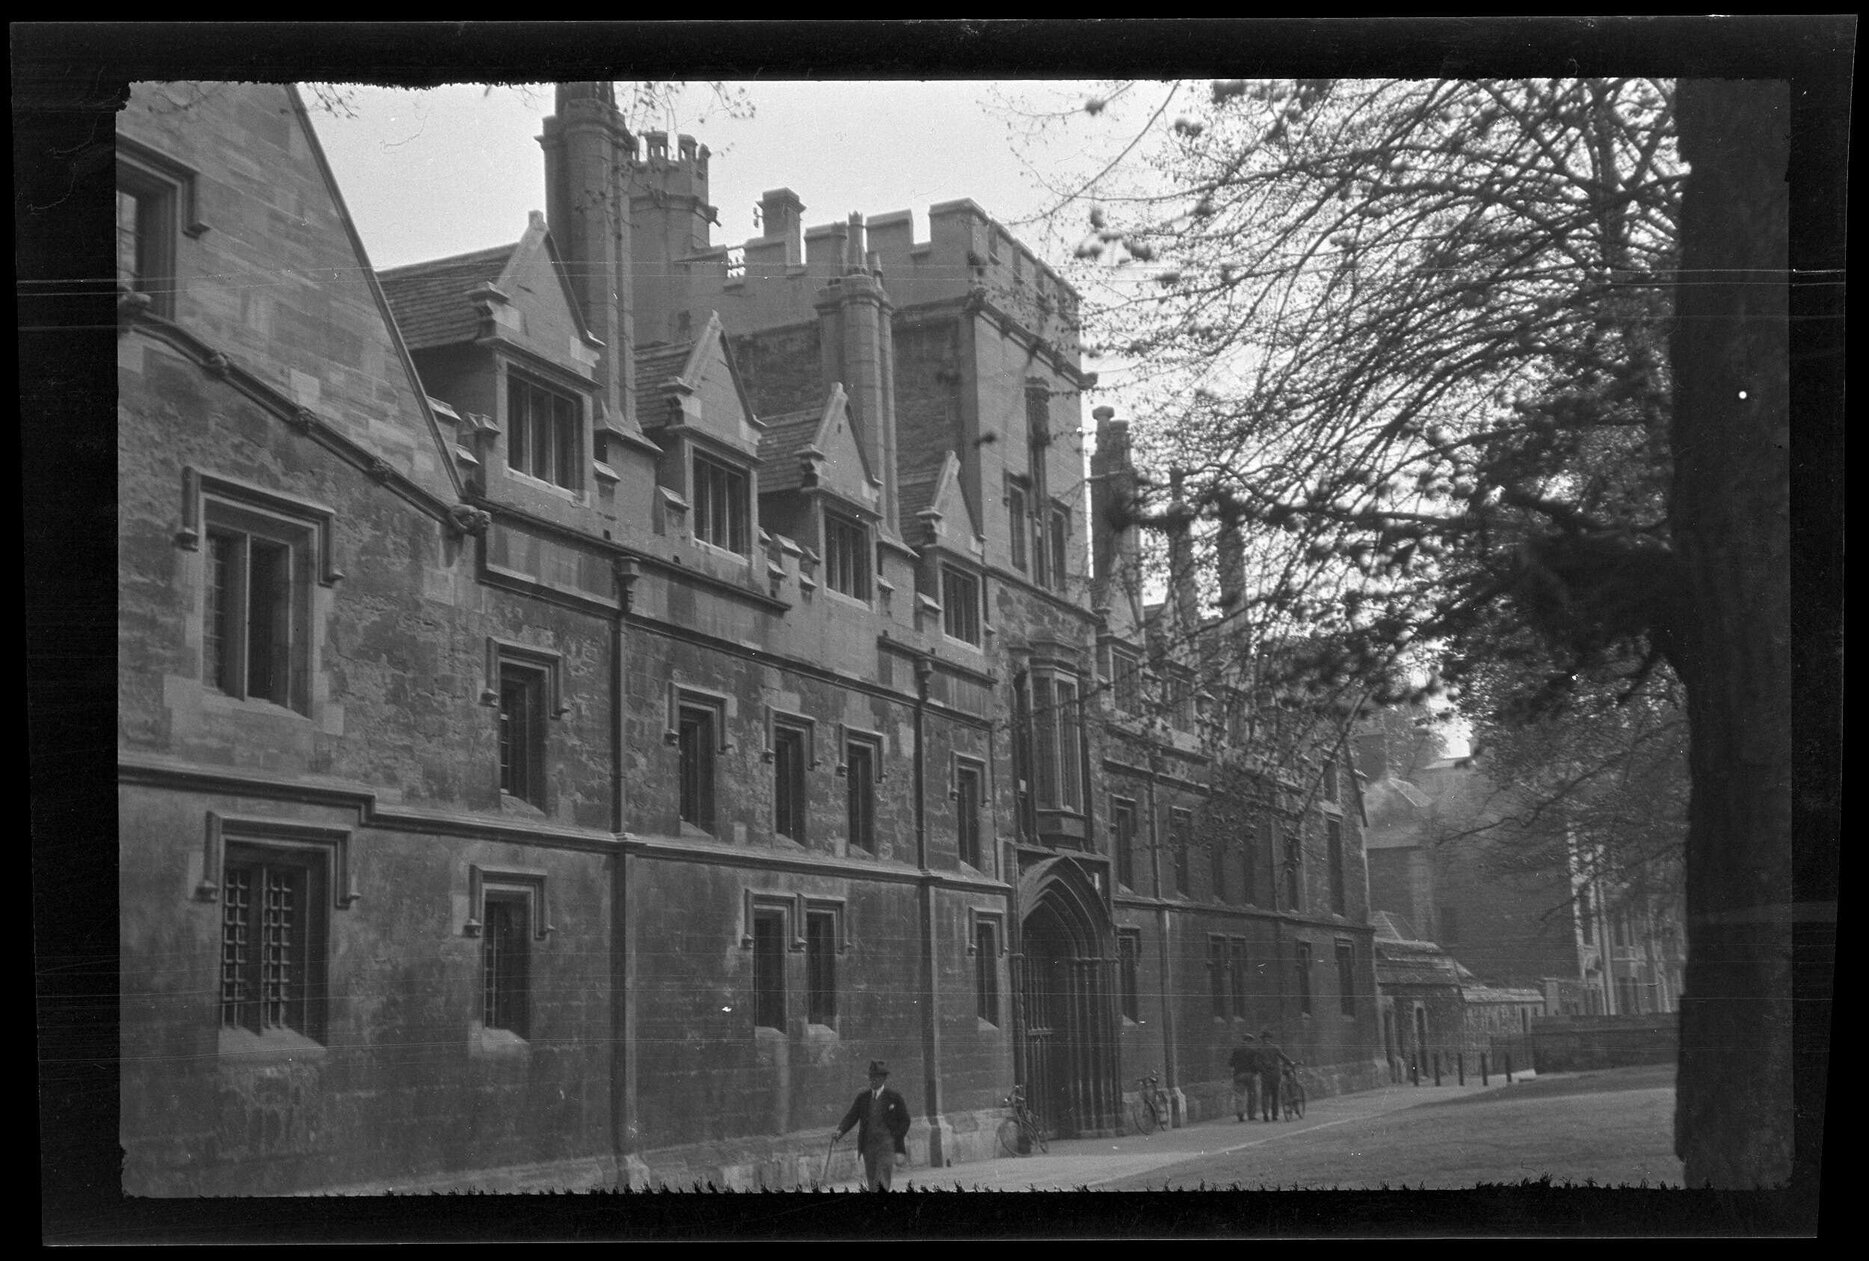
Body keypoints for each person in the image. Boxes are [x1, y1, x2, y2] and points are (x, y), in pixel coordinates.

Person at [834, 1059, 913, 1191]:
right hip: (868, 1146)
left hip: (886, 1146)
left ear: (883, 1079)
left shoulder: (894, 1097)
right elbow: (852, 1116)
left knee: (882, 1179)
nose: (872, 1080)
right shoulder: (863, 1098)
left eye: (875, 1077)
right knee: (872, 1182)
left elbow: (905, 1120)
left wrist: (895, 1137)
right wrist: (840, 1131)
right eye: (871, 1077)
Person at [1257, 1028, 1295, 1122]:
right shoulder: (1275, 1048)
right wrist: (1291, 1063)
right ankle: (1274, 1115)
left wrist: (1262, 1070)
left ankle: (1265, 1114)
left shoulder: (1259, 1049)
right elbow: (1284, 1057)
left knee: (1265, 1095)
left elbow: (1256, 1063)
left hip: (1265, 1075)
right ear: (1270, 1038)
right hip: (1275, 1074)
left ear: (1262, 1039)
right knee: (1275, 1094)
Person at [1228, 1034, 1261, 1122]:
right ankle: (1251, 1115)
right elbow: (1256, 1063)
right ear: (1250, 1041)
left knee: (1239, 1095)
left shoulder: (1236, 1050)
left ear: (1243, 1040)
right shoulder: (1253, 1051)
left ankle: (1240, 1114)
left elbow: (1230, 1063)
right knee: (1252, 1095)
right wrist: (1256, 1072)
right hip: (1250, 1075)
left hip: (1238, 1075)